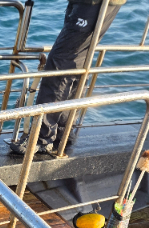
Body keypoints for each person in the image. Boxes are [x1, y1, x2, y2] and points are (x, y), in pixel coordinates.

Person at [10, 0, 127, 156]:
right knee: (77, 62)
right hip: (100, 3)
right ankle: (62, 130)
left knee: (59, 64)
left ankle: (42, 137)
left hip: (92, 3)